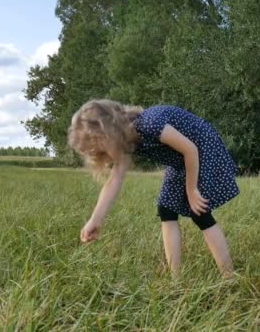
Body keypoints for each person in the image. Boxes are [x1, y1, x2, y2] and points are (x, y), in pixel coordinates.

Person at [68, 99, 239, 278]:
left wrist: (191, 191)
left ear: (109, 131)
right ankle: (175, 277)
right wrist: (95, 220)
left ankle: (229, 277)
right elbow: (114, 180)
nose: (98, 154)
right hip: (180, 159)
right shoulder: (127, 142)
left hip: (203, 148)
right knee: (166, 209)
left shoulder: (151, 123)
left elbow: (190, 149)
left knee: (199, 211)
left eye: (97, 146)